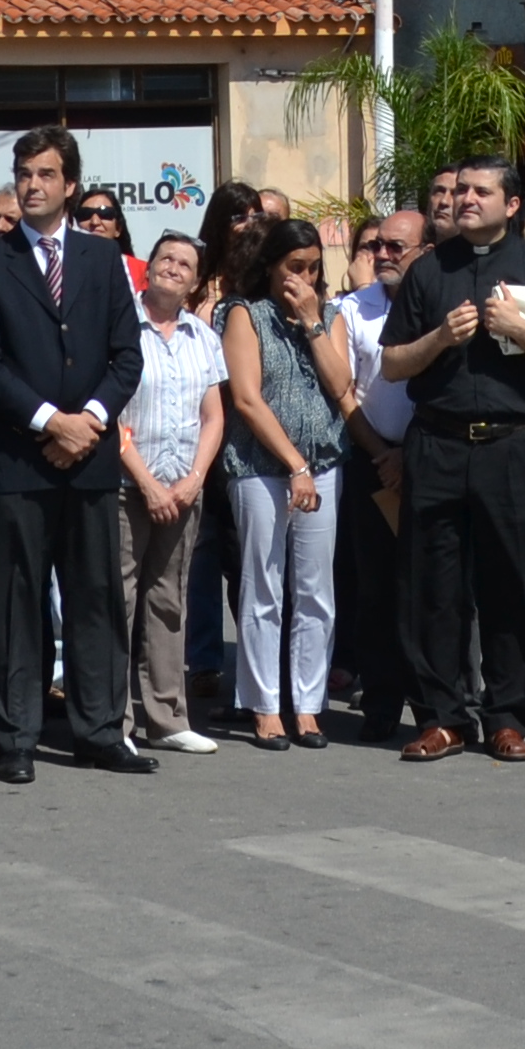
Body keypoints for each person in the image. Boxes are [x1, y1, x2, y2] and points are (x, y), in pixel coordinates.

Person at [380, 157, 525, 763]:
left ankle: (507, 715)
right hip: (437, 441)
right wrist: (439, 338)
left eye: (480, 191)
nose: (465, 199)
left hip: (511, 442)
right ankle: (443, 717)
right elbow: (393, 364)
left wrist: (522, 333)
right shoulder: (427, 272)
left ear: (513, 203)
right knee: (433, 587)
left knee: (511, 584)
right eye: (460, 190)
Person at [0, 128, 152, 780]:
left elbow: (128, 355)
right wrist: (49, 421)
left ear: (70, 184)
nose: (32, 184)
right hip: (19, 459)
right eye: (23, 173)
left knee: (96, 594)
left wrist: (90, 422)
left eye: (45, 174)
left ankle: (99, 730)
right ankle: (14, 734)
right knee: (14, 600)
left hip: (91, 459)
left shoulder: (103, 262)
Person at [219, 217, 355, 746]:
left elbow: (342, 384)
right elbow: (247, 399)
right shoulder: (244, 315)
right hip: (260, 466)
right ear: (271, 267)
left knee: (316, 590)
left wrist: (313, 322)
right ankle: (263, 703)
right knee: (263, 586)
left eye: (314, 268)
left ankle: (308, 702)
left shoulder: (331, 315)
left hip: (323, 462)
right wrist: (293, 464)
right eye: (294, 267)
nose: (305, 276)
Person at [117, 229, 228, 754]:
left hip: (184, 487)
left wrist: (193, 479)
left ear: (196, 281)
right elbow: (109, 414)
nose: (173, 268)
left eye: (184, 264)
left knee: (167, 601)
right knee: (118, 599)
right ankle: (113, 720)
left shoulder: (202, 338)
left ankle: (167, 717)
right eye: (165, 258)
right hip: (126, 485)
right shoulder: (120, 327)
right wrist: (146, 481)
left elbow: (214, 416)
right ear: (149, 266)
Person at [331, 201, 423, 740]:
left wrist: (409, 453)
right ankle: (382, 704)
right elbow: (344, 389)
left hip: (428, 457)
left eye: (395, 247)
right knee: (375, 590)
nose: (383, 255)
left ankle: (434, 701)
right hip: (371, 462)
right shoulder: (352, 308)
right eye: (376, 246)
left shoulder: (437, 302)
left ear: (424, 252)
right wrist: (382, 455)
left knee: (430, 588)